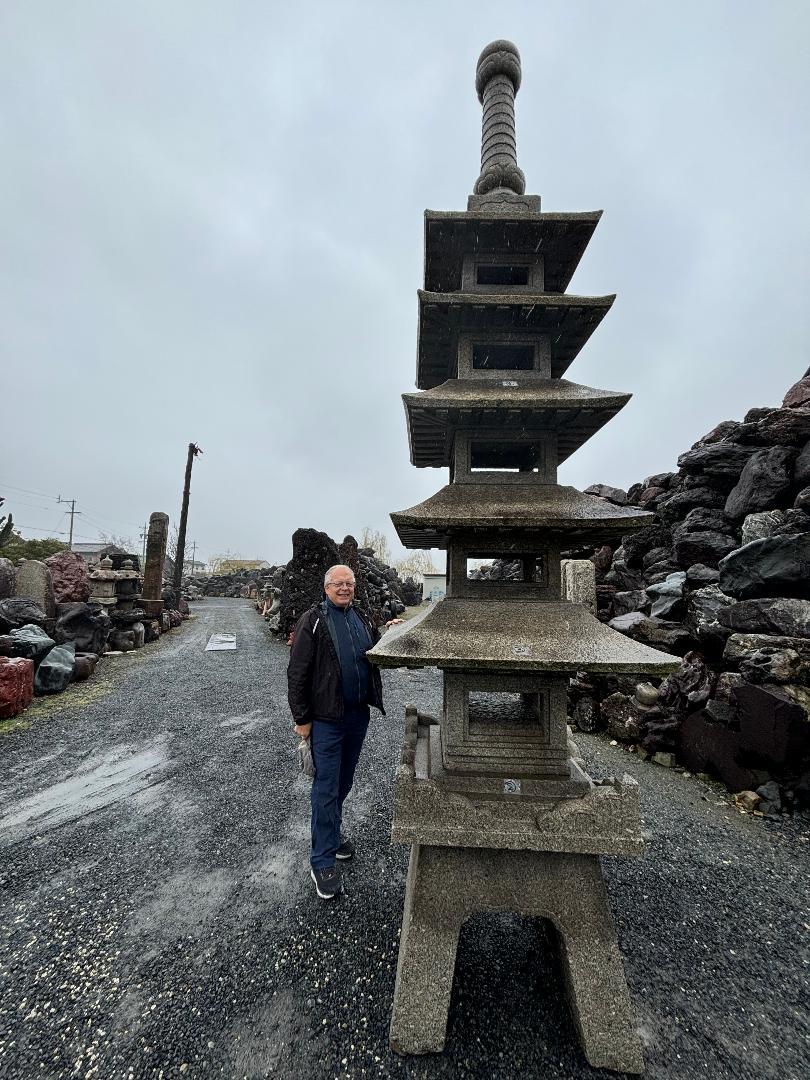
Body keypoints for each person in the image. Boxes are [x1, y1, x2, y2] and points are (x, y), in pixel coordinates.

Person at [287, 565, 399, 900]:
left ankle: (332, 839)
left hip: (356, 716)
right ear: (326, 588)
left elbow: (374, 652)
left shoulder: (360, 618)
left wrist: (390, 633)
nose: (345, 588)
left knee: (343, 782)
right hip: (326, 720)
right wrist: (302, 719)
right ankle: (321, 859)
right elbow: (297, 673)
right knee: (326, 788)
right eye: (338, 583)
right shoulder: (314, 621)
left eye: (349, 583)